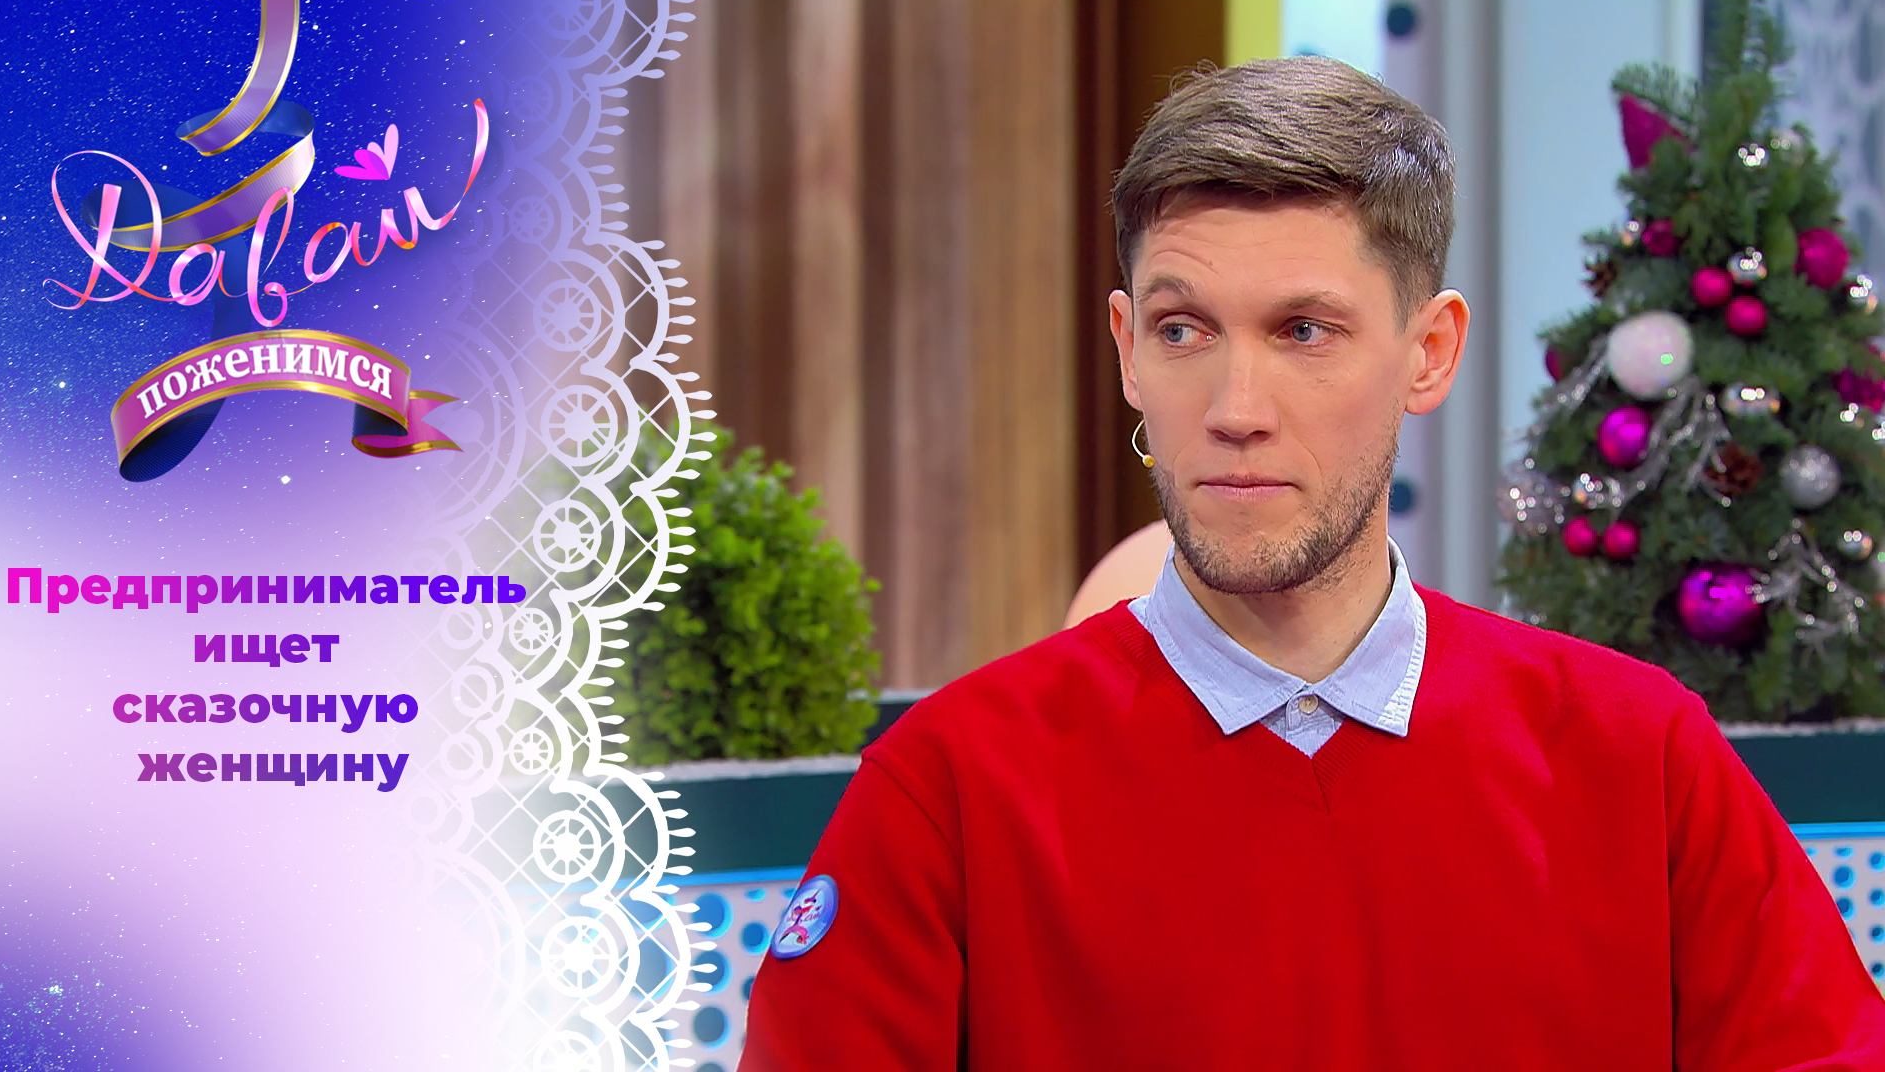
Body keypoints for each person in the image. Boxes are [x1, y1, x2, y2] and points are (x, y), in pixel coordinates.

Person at [739, 56, 1885, 1069]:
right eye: (1184, 330)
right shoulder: (946, 795)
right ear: (1129, 351)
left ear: (1429, 352)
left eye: (1303, 332)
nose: (1236, 408)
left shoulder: (1642, 762)